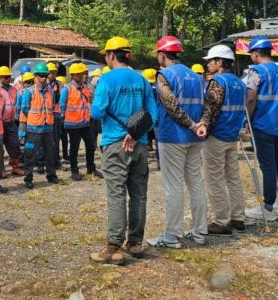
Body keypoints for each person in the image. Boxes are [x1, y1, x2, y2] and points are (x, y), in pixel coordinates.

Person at [89, 36, 157, 264]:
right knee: (139, 194)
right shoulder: (142, 81)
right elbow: (152, 115)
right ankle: (135, 242)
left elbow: (97, 113)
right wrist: (135, 134)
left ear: (110, 55)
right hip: (139, 145)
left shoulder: (106, 81)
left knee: (116, 193)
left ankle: (113, 245)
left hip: (115, 144)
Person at [147, 36, 208, 249]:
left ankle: (172, 235)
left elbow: (170, 105)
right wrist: (200, 125)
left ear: (163, 55)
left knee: (173, 186)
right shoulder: (197, 77)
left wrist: (191, 124)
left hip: (173, 137)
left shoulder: (164, 75)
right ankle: (200, 231)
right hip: (195, 139)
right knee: (196, 183)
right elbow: (206, 104)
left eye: (158, 55)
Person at [199, 45, 247, 235]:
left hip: (216, 136)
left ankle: (221, 221)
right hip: (232, 135)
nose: (208, 65)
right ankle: (238, 217)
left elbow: (212, 109)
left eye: (210, 61)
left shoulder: (216, 82)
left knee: (215, 179)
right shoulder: (240, 83)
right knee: (233, 178)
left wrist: (203, 129)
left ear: (219, 62)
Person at [243, 37, 278, 222]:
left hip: (262, 123)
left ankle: (267, 207)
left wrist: (247, 118)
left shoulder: (257, 71)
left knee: (267, 166)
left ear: (255, 54)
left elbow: (250, 98)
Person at [19, 62, 59, 189]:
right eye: (41, 76)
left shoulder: (50, 91)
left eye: (45, 76)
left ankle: (51, 175)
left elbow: (51, 107)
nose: (43, 78)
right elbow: (24, 109)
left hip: (48, 128)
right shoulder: (29, 92)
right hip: (34, 128)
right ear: (36, 76)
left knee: (50, 153)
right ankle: (28, 178)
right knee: (30, 154)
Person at [60, 63, 101, 181]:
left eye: (81, 73)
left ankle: (91, 168)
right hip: (72, 124)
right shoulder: (67, 89)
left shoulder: (85, 87)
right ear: (72, 75)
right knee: (74, 147)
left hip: (85, 122)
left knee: (91, 145)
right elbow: (62, 105)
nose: (80, 75)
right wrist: (65, 119)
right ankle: (74, 170)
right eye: (77, 74)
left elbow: (90, 101)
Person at [0, 66, 25, 177]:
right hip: (0, 122)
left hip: (11, 122)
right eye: (6, 77)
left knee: (15, 145)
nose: (8, 79)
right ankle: (1, 169)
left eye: (9, 77)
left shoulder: (13, 89)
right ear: (0, 78)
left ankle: (15, 167)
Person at [46, 62, 66, 169]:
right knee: (46, 140)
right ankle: (44, 162)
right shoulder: (43, 85)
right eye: (50, 72)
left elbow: (62, 98)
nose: (52, 75)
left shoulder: (59, 84)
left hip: (57, 116)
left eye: (54, 72)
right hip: (45, 117)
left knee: (56, 139)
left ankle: (56, 162)